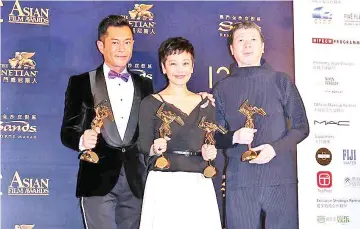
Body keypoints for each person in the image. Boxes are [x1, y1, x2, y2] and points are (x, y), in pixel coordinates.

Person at [213, 21, 309, 229]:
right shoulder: (221, 89)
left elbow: (302, 127)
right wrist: (234, 137)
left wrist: (275, 149)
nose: (247, 45)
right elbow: (215, 136)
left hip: (280, 178)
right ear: (232, 49)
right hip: (240, 181)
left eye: (253, 40)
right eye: (240, 40)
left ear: (263, 46)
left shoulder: (281, 81)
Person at [60, 15, 153, 229]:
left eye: (127, 42)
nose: (122, 49)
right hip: (97, 179)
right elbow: (68, 131)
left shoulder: (146, 85)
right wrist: (82, 139)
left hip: (136, 182)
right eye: (115, 42)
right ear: (101, 46)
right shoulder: (82, 82)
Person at [138, 37, 222, 229]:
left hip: (199, 182)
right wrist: (154, 148)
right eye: (173, 63)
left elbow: (209, 141)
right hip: (164, 182)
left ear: (193, 66)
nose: (180, 69)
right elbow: (142, 144)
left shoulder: (206, 104)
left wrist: (210, 153)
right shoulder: (150, 103)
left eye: (185, 63)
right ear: (163, 67)